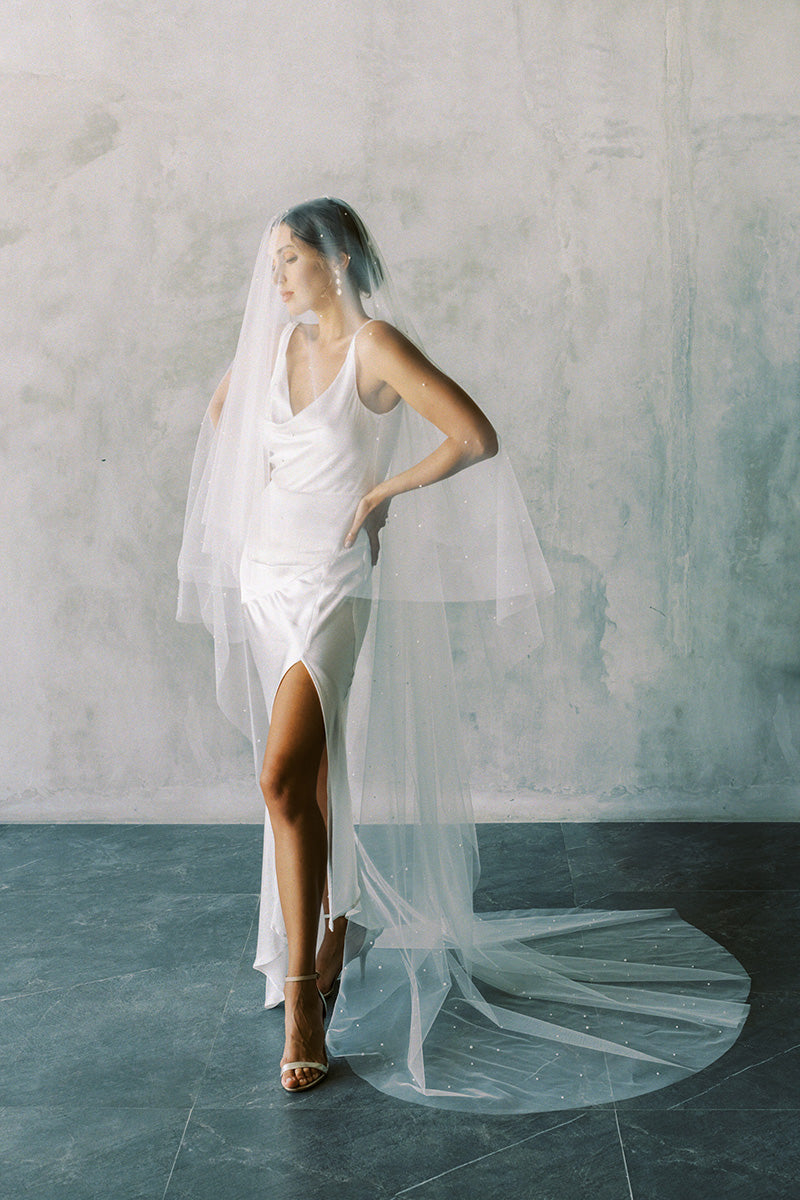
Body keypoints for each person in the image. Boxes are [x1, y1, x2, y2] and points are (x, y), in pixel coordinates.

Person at [178, 198, 750, 1110]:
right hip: (265, 578)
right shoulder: (270, 352)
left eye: (292, 259)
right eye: (274, 261)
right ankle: (338, 926)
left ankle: (301, 1007)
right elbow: (224, 422)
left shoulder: (374, 347)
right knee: (312, 774)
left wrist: (383, 493)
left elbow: (474, 436)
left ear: (338, 260)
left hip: (330, 580)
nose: (277, 275)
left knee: (284, 777)